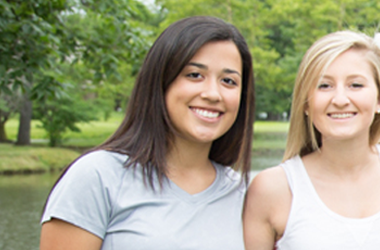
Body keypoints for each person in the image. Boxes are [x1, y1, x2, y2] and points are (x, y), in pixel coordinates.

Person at [40, 16, 255, 250]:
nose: (213, 94)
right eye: (194, 75)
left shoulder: (245, 194)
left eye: (228, 81)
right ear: (160, 81)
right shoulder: (98, 176)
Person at [242, 31, 380, 249]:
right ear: (305, 103)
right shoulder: (272, 188)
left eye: (356, 85)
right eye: (324, 85)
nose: (340, 99)